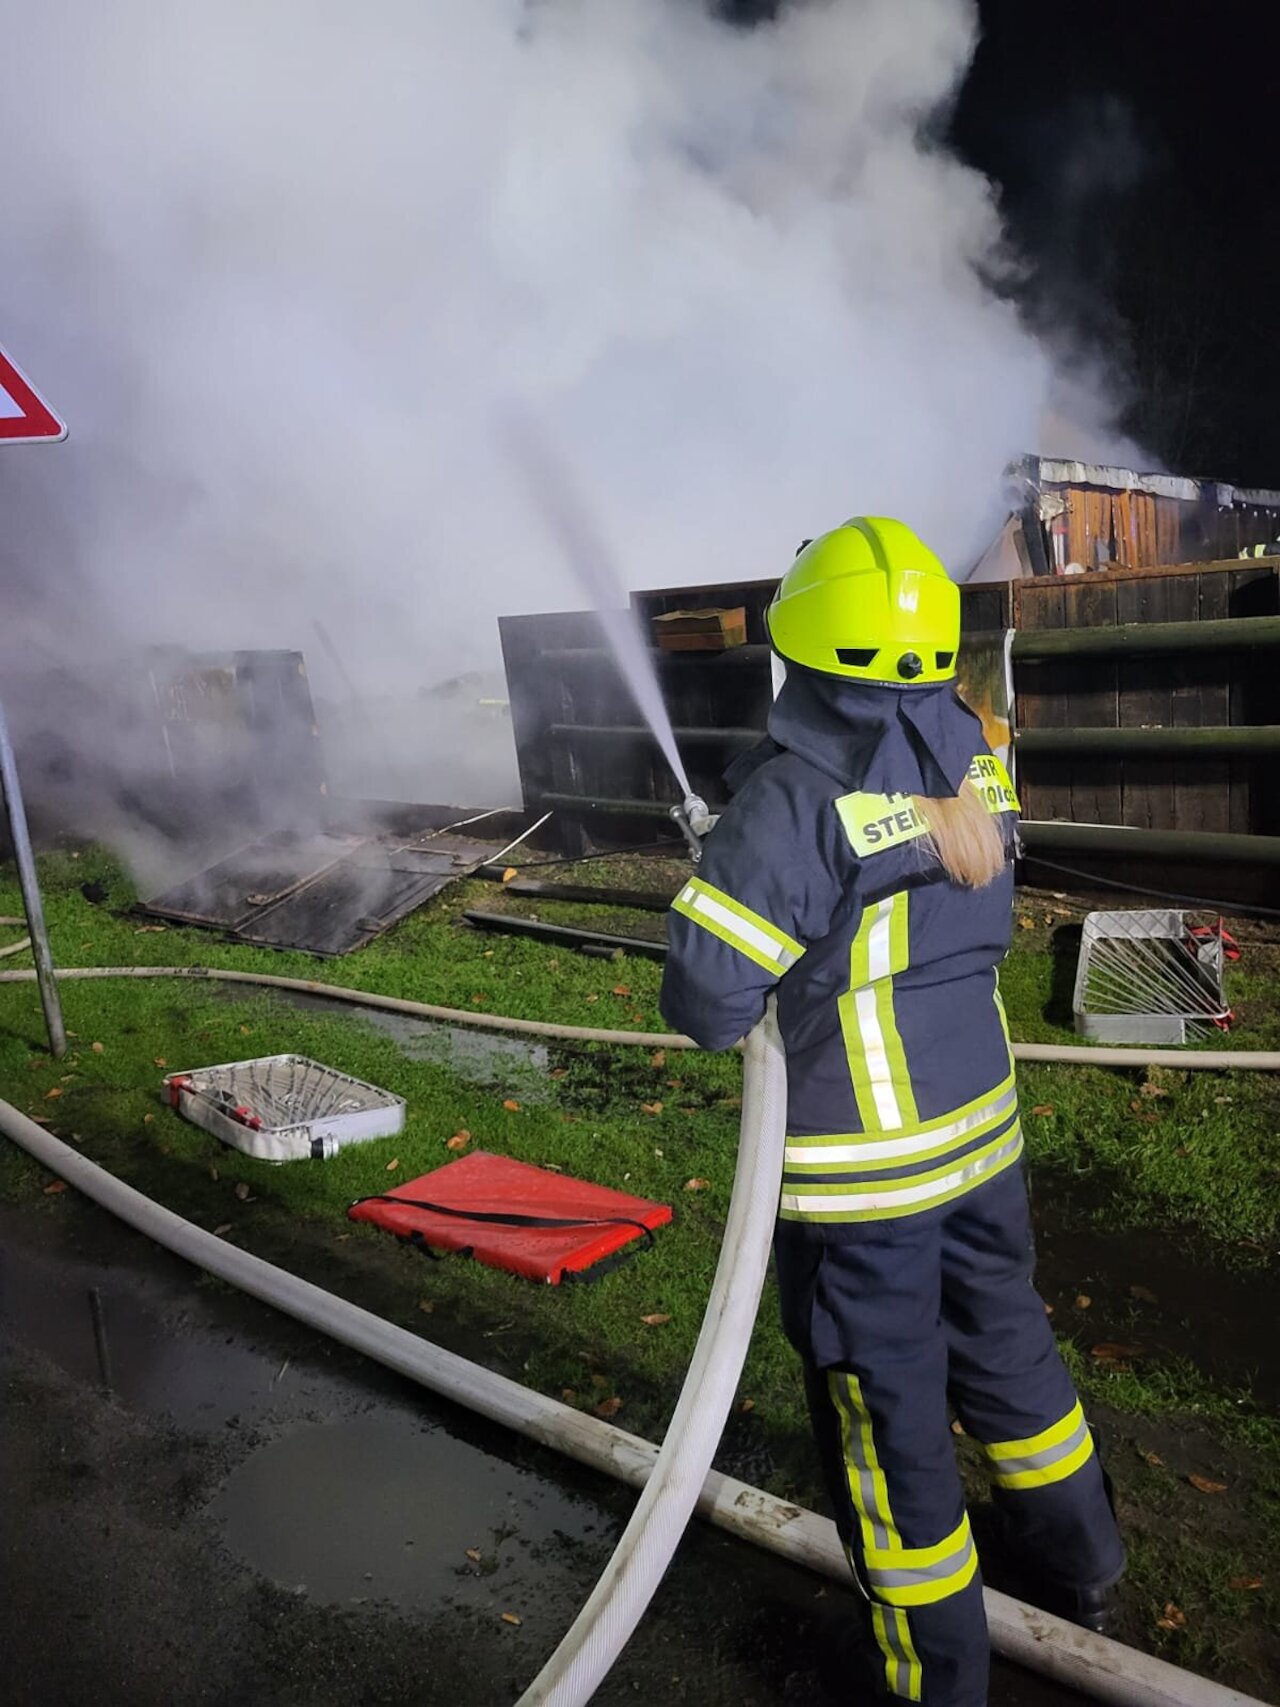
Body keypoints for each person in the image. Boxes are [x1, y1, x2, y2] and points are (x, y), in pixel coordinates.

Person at [659, 517, 1124, 1707]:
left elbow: (709, 1001)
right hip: (978, 1141)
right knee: (1010, 1350)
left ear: (800, 644)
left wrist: (723, 871)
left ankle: (934, 1679)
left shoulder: (792, 799)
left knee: (888, 1421)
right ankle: (1079, 1572)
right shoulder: (976, 746)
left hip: (864, 1179)